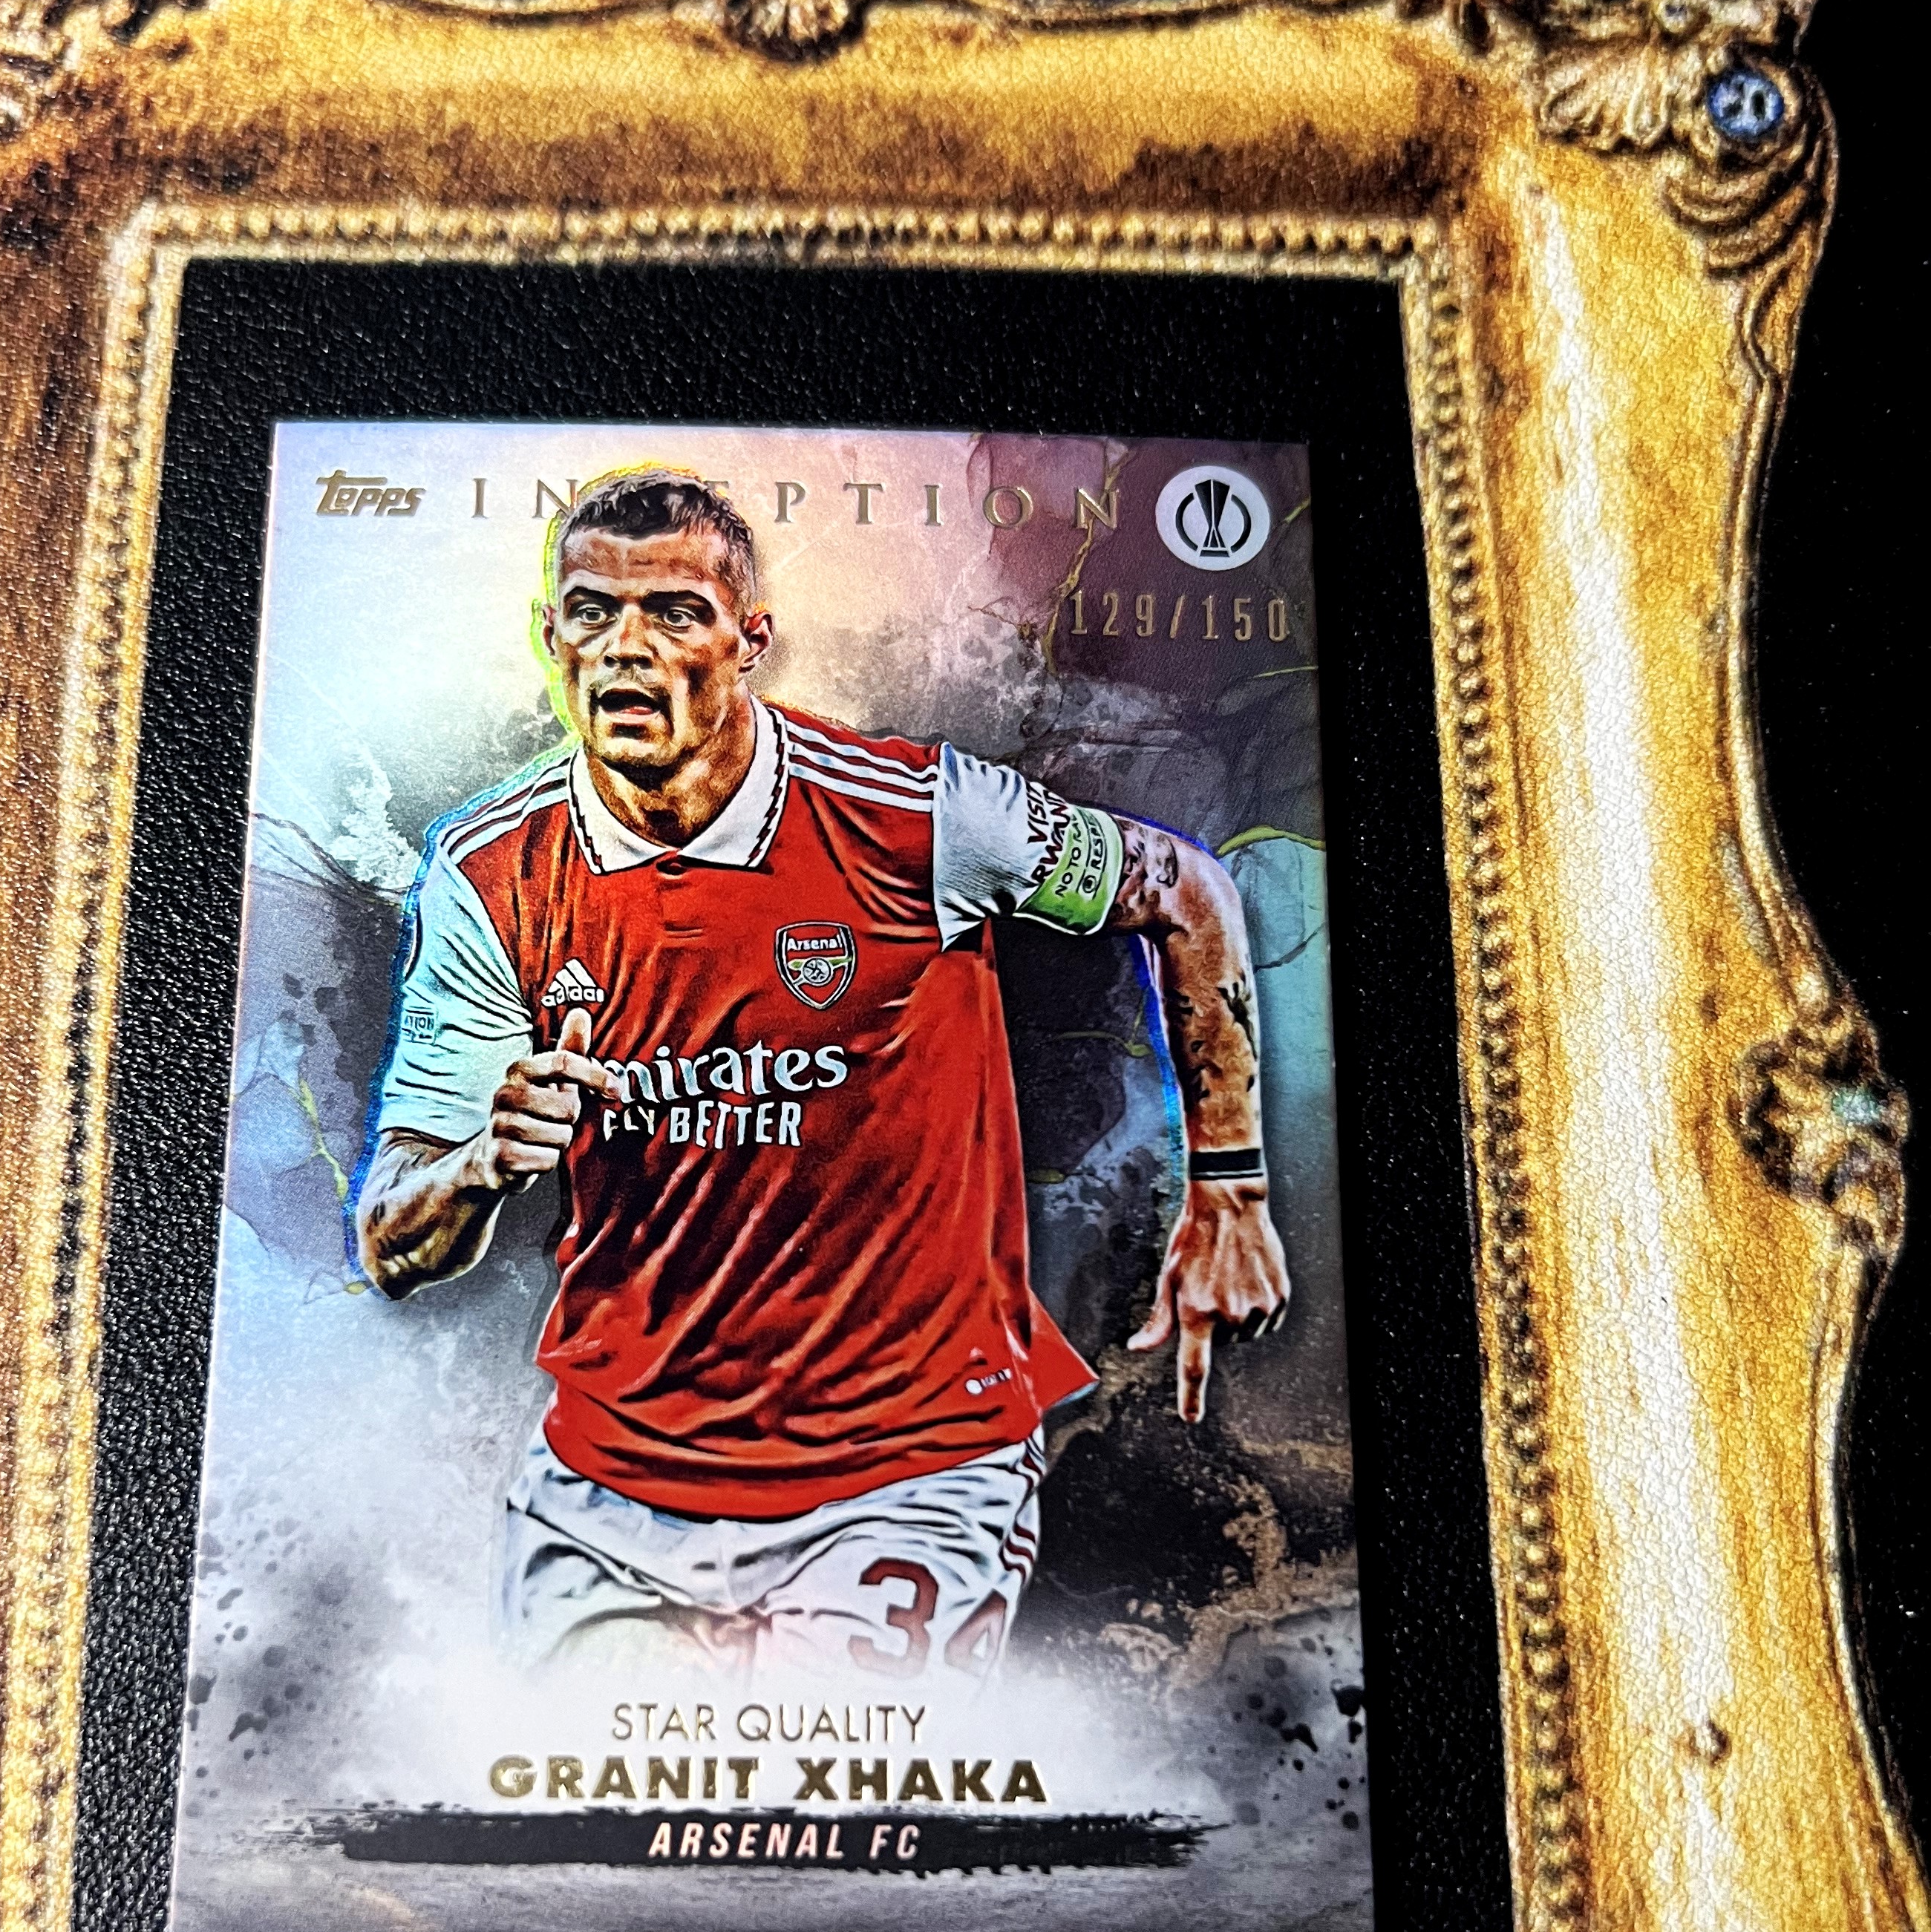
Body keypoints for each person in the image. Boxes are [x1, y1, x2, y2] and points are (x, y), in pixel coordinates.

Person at [352, 467, 1289, 1689]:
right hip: (611, 1490)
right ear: (551, 636)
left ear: (749, 641)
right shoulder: (490, 874)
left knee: (828, 1787)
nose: (627, 647)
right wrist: (483, 1164)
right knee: (581, 1799)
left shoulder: (919, 817)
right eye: (591, 612)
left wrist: (1230, 1189)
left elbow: (1185, 892)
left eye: (674, 613)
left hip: (910, 1475)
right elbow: (394, 1244)